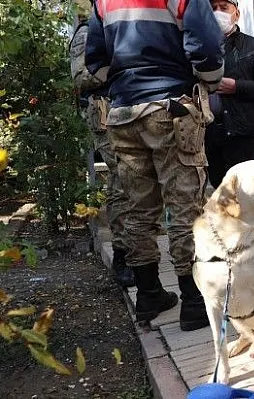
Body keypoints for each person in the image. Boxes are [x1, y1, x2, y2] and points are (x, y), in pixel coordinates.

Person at [85, 0, 224, 331]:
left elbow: (95, 58)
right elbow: (205, 44)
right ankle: (193, 301)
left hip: (122, 113)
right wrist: (208, 79)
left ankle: (148, 294)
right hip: (170, 105)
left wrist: (122, 84)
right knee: (185, 205)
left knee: (138, 208)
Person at [69, 0, 133, 288]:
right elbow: (81, 77)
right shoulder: (87, 31)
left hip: (136, 108)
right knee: (122, 181)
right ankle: (122, 254)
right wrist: (121, 65)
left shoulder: (129, 23)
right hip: (107, 114)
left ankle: (140, 251)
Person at [205, 0, 254, 188]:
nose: (218, 12)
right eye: (213, 8)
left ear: (236, 13)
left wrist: (237, 87)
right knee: (218, 191)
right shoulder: (201, 48)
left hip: (242, 134)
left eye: (223, 7)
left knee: (240, 192)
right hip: (210, 133)